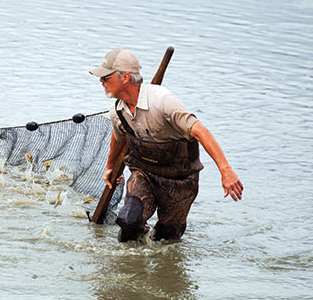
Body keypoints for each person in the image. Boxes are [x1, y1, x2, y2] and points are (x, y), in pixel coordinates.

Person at [90, 48, 243, 242]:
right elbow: (119, 137)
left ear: (125, 77)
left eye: (106, 78)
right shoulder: (117, 111)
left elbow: (200, 132)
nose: (101, 82)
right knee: (128, 221)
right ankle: (131, 267)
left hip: (180, 181)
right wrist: (111, 167)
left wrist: (226, 170)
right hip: (143, 174)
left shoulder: (163, 102)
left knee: (166, 239)